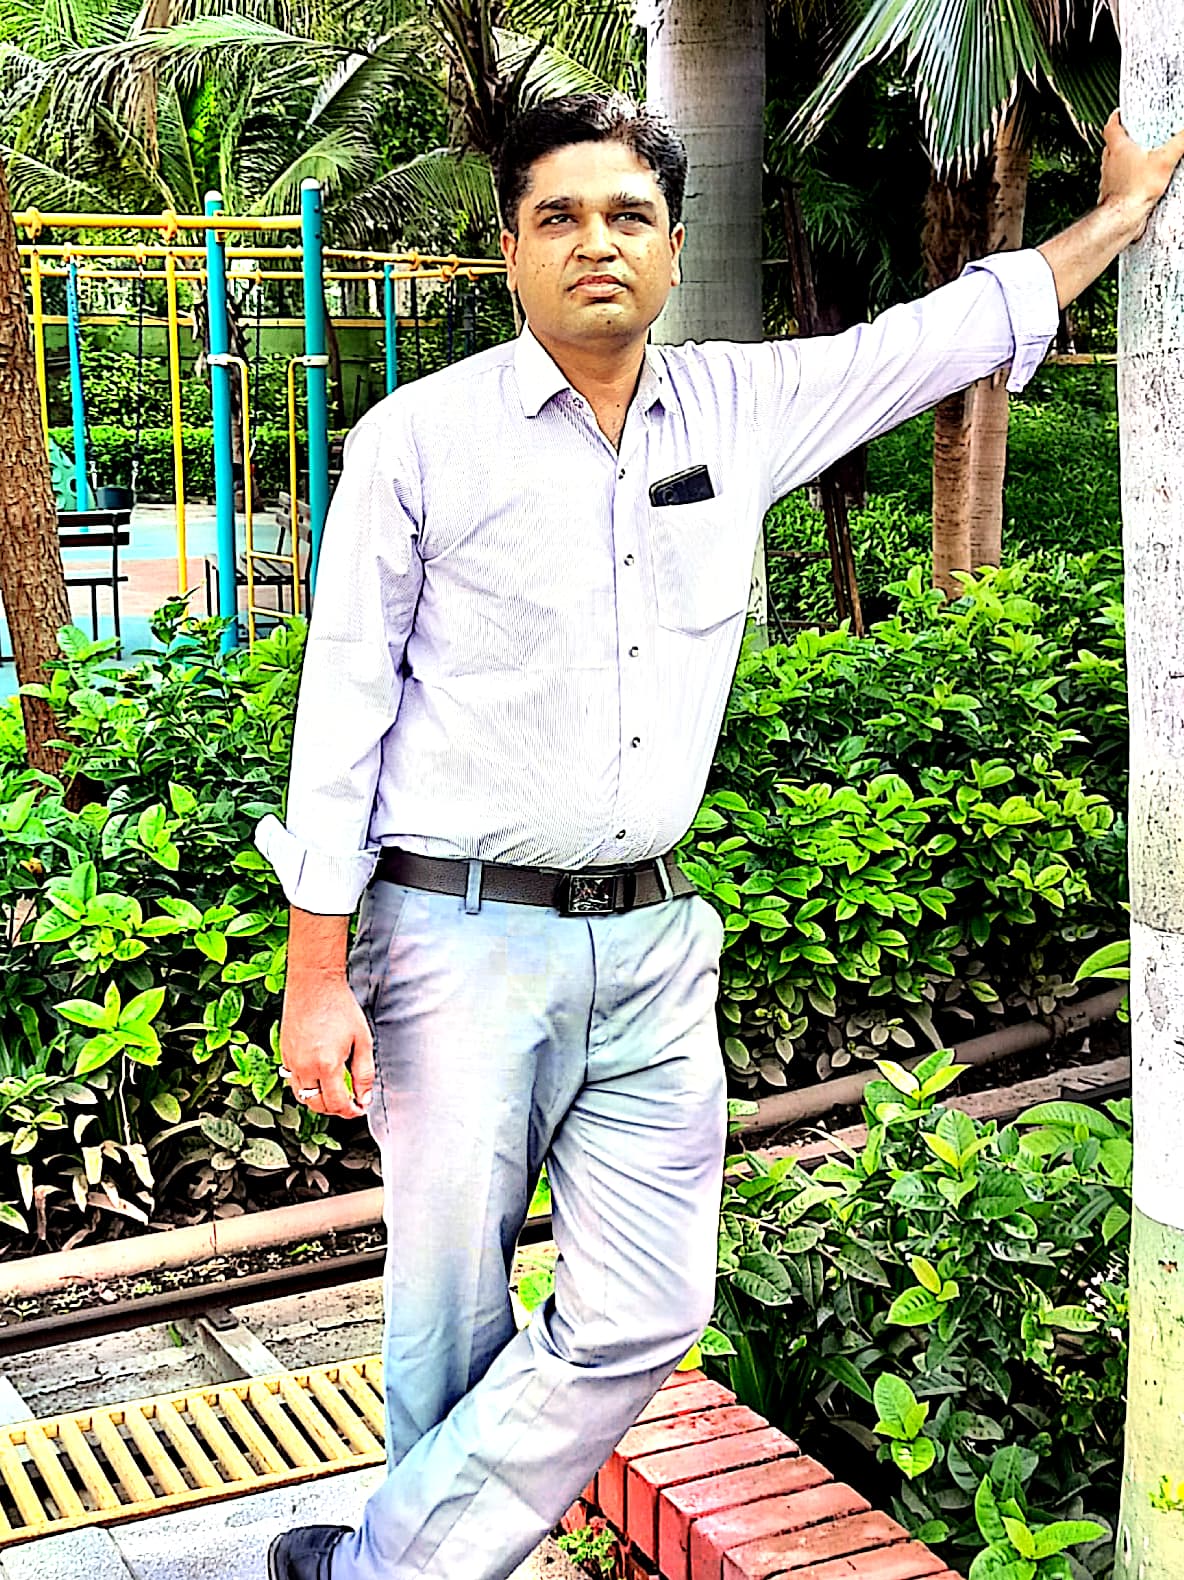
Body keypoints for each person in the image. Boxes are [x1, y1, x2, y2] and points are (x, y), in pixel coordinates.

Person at [256, 93, 1184, 1580]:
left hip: (651, 942)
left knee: (646, 1302)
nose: (597, 242)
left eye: (628, 214)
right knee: (448, 1319)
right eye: (559, 216)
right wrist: (318, 975)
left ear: (674, 246)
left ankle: (375, 1568)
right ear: (511, 250)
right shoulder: (418, 442)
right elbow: (343, 708)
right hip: (453, 936)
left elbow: (932, 338)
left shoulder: (738, 409)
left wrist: (1117, 216)